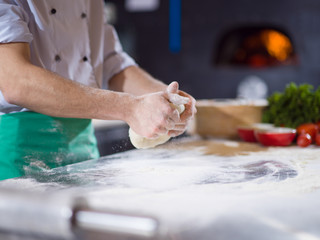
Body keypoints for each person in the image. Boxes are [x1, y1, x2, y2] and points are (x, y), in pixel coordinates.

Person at [0, 0, 196, 180]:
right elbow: (17, 81)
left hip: (82, 149)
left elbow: (113, 64)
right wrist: (131, 108)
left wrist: (167, 99)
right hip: (19, 155)